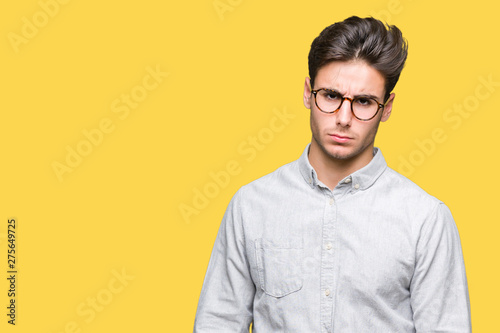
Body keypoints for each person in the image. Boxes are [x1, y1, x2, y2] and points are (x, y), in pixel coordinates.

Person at [193, 16, 471, 332]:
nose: (343, 118)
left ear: (387, 107)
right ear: (308, 93)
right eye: (331, 96)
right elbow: (219, 321)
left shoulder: (425, 219)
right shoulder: (251, 205)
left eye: (364, 102)